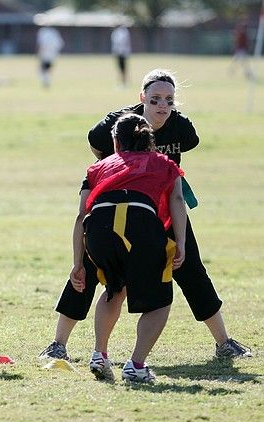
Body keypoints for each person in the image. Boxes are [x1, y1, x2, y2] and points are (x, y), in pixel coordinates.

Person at [40, 69, 252, 362]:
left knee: (189, 266)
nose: (162, 106)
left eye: (169, 100)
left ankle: (224, 342)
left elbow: (181, 175)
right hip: (117, 199)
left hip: (164, 205)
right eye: (154, 100)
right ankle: (58, 344)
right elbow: (95, 142)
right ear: (142, 99)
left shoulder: (180, 127)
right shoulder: (119, 123)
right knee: (88, 268)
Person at [74, 113, 187, 383]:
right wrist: (181, 242)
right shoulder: (164, 163)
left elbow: (81, 216)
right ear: (150, 142)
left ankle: (99, 354)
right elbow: (178, 199)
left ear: (115, 142)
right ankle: (136, 365)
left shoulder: (98, 167)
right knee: (159, 302)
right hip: (140, 224)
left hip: (99, 227)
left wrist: (78, 263)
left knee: (114, 287)